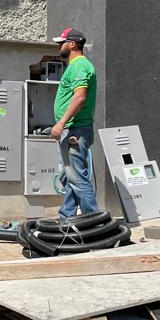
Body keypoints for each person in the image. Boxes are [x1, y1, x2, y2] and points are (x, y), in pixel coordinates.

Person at [50, 27, 98, 217]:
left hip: (75, 130)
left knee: (77, 178)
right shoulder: (74, 66)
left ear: (72, 44)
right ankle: (67, 217)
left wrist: (61, 123)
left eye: (61, 42)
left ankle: (93, 222)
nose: (59, 46)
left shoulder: (79, 65)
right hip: (72, 129)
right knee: (69, 176)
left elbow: (80, 97)